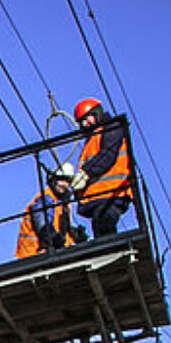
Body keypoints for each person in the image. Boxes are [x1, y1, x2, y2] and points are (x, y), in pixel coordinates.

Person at [70, 97, 134, 238]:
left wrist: (86, 173)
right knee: (100, 228)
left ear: (97, 114)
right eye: (82, 122)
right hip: (99, 196)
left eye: (88, 119)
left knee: (105, 224)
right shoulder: (92, 140)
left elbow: (107, 155)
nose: (86, 124)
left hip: (112, 192)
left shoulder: (111, 128)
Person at [14, 162, 85, 259]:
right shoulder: (45, 199)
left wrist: (75, 235)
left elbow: (59, 226)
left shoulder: (61, 203)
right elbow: (42, 226)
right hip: (33, 255)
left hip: (50, 253)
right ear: (54, 179)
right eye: (61, 179)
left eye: (67, 181)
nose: (64, 184)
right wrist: (53, 238)